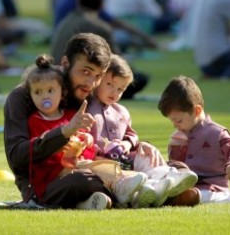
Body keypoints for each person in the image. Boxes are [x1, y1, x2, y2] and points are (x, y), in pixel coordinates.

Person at [4, 33, 114, 209]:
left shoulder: (89, 92)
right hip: (45, 185)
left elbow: (118, 126)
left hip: (90, 166)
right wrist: (63, 133)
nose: (90, 83)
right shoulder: (24, 96)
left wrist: (137, 145)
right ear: (65, 63)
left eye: (98, 76)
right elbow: (17, 157)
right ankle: (125, 189)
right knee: (84, 179)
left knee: (164, 164)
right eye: (85, 71)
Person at [23, 54, 147, 210]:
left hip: (77, 165)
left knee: (99, 169)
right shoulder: (35, 120)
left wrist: (87, 140)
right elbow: (38, 150)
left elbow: (84, 142)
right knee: (91, 172)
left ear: (62, 92)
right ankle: (122, 194)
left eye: (50, 90)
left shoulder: (70, 115)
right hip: (55, 174)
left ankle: (95, 201)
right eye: (38, 92)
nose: (45, 96)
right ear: (31, 94)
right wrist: (61, 142)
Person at [87, 55, 199, 208]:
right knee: (112, 172)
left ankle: (160, 181)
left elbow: (131, 135)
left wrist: (126, 144)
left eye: (120, 89)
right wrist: (98, 149)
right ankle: (150, 188)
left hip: (125, 159)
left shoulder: (121, 111)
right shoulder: (86, 107)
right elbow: (82, 136)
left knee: (146, 154)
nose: (115, 92)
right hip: (101, 162)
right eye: (110, 84)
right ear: (98, 80)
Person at [157, 76, 230, 204]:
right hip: (182, 185)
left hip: (211, 187)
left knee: (207, 196)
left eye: (178, 120)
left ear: (197, 110)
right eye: (172, 121)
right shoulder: (179, 136)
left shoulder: (216, 132)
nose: (175, 125)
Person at [51, 0, 149, 99]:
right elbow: (119, 63)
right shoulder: (99, 27)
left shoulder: (66, 21)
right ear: (101, 3)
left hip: (55, 76)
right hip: (78, 81)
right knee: (138, 78)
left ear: (78, 0)